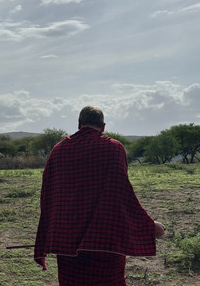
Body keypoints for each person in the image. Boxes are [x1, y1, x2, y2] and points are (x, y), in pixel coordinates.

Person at [34, 106, 165, 285]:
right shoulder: (113, 148)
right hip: (105, 238)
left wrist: (48, 234)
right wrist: (148, 226)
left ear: (79, 124)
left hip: (65, 238)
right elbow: (122, 193)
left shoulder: (58, 150)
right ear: (103, 127)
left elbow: (48, 195)